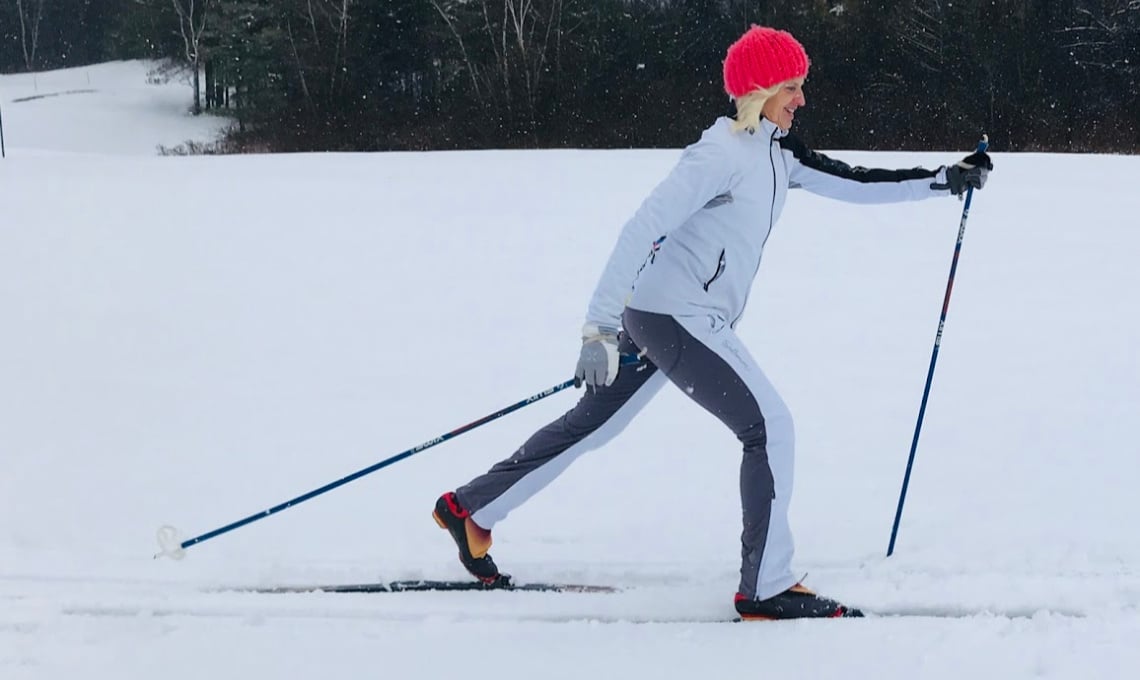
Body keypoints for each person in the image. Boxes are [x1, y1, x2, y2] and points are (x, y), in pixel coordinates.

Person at [432, 25, 992, 620]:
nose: (801, 99)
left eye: (801, 86)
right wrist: (596, 331)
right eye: (791, 87)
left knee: (594, 426)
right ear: (758, 91)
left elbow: (854, 182)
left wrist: (942, 179)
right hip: (676, 315)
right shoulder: (718, 155)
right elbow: (639, 229)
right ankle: (766, 587)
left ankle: (471, 511)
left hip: (668, 313)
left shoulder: (781, 152)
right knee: (769, 427)